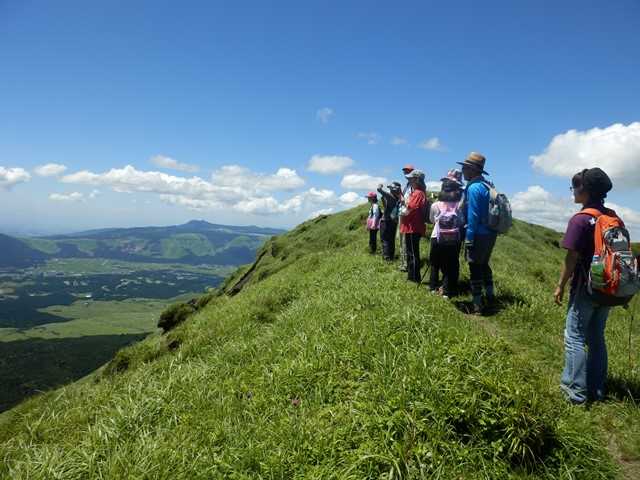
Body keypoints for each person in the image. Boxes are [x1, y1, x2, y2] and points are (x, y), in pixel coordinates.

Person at [554, 168, 614, 404]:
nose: (573, 191)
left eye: (575, 187)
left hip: (584, 287)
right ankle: (596, 390)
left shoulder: (581, 219)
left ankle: (574, 392)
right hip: (607, 287)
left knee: (575, 337)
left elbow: (571, 258)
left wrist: (560, 285)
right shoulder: (610, 216)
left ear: (585, 190)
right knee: (597, 337)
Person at [458, 152, 496, 315]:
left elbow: (473, 215)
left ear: (472, 169)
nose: (463, 171)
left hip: (478, 233)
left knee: (475, 267)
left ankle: (477, 305)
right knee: (484, 264)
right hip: (490, 233)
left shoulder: (473, 188)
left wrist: (469, 237)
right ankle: (490, 297)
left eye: (465, 168)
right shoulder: (487, 186)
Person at [429, 170, 465, 298]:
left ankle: (432, 287)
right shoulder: (459, 206)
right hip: (454, 239)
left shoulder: (435, 205)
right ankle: (447, 291)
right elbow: (461, 222)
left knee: (434, 263)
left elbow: (432, 220)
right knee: (450, 264)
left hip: (437, 237)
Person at [399, 169, 427, 283]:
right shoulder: (419, 192)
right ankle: (412, 276)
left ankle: (414, 277)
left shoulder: (417, 193)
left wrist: (403, 202)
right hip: (412, 226)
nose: (409, 181)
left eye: (411, 179)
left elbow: (411, 208)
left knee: (412, 253)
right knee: (411, 252)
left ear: (416, 180)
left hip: (413, 226)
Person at [377, 182, 402, 261]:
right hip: (394, 221)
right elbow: (387, 207)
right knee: (391, 239)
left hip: (386, 221)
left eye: (390, 188)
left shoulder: (390, 196)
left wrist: (380, 185)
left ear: (392, 189)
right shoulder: (398, 198)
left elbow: (379, 189)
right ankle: (391, 255)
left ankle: (386, 258)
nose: (389, 190)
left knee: (385, 239)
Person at [398, 164, 415, 271]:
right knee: (401, 239)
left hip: (408, 215)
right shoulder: (407, 185)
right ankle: (404, 262)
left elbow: (410, 202)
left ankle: (406, 264)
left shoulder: (413, 186)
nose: (406, 173)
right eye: (405, 171)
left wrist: (402, 198)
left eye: (408, 171)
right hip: (403, 213)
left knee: (405, 240)